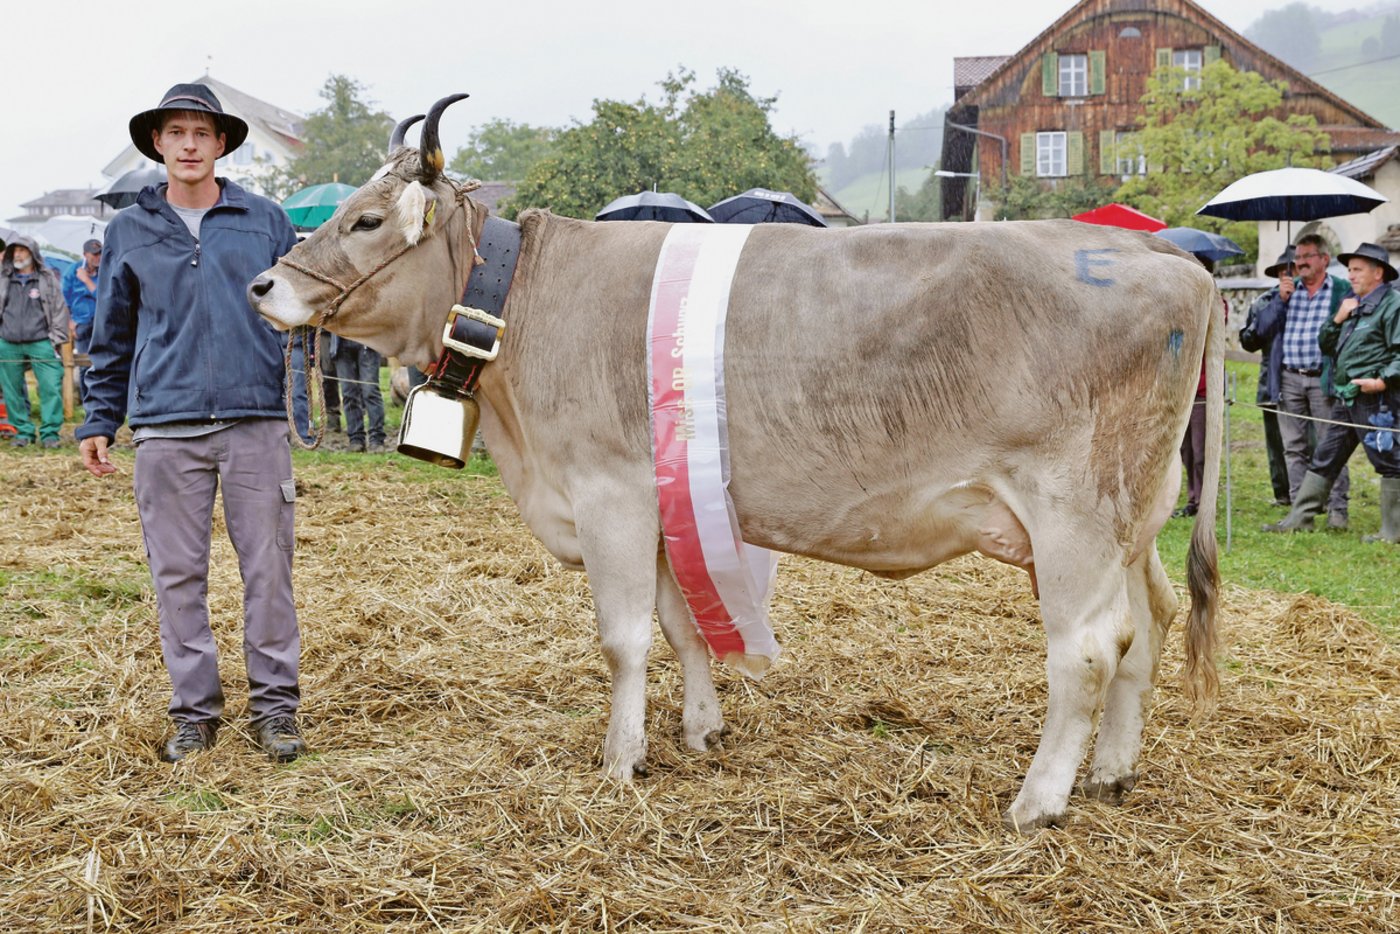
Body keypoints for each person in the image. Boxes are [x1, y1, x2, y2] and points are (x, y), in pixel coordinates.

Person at [75, 83, 309, 763]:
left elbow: (297, 317)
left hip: (254, 423)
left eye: (201, 133)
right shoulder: (128, 230)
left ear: (221, 143)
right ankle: (194, 714)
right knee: (177, 577)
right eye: (176, 132)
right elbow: (112, 334)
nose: (188, 145)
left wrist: (292, 401)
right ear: (157, 143)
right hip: (164, 427)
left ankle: (276, 710)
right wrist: (100, 417)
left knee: (269, 572)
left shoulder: (265, 220)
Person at [1265, 242, 1400, 542]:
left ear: (1378, 273)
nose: (1350, 275)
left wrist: (1381, 382)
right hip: (1347, 396)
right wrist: (1338, 318)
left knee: (1390, 460)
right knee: (1326, 456)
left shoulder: (1393, 305)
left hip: (1376, 399)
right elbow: (1326, 345)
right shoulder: (1354, 304)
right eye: (1349, 270)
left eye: (1357, 270)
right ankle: (1300, 518)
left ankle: (1394, 531)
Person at [1253, 233, 1352, 528]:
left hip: (1324, 379)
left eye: (1307, 256)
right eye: (1297, 257)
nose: (1300, 262)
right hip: (1289, 378)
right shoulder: (1286, 290)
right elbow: (1260, 331)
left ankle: (1337, 509)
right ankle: (1300, 513)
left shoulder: (1342, 290)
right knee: (1293, 447)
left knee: (1331, 445)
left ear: (1324, 259)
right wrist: (1280, 301)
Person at [0, 236, 70, 447]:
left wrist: (55, 339)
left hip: (41, 341)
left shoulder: (47, 279)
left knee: (50, 387)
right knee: (12, 391)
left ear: (33, 253)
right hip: (8, 342)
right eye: (15, 251)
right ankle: (23, 432)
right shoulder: (4, 278)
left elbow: (59, 310)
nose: (18, 255)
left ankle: (50, 434)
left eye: (22, 250)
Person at [1239, 247, 1295, 506]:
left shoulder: (1312, 301)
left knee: (1311, 439)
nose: (1288, 276)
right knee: (1276, 441)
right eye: (1284, 272)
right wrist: (1278, 304)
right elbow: (1249, 341)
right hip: (1271, 382)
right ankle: (1282, 493)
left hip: (1306, 381)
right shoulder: (1264, 302)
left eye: (1293, 271)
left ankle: (1311, 494)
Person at [61, 238, 102, 402]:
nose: (98, 257)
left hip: (102, 323)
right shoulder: (72, 271)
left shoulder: (106, 270)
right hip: (81, 323)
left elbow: (105, 298)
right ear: (85, 254)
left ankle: (102, 400)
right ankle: (87, 402)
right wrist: (69, 322)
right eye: (94, 254)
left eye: (100, 254)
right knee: (85, 364)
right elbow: (63, 299)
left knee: (103, 363)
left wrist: (86, 280)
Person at [331, 333, 386, 452]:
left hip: (368, 341)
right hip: (340, 341)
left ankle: (376, 439)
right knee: (348, 393)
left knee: (370, 391)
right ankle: (356, 439)